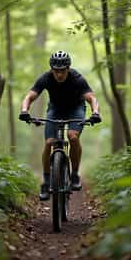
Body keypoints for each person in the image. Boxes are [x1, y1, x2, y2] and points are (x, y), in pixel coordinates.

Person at [19, 50, 101, 201]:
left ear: (68, 68)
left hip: (75, 109)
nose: (59, 74)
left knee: (73, 136)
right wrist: (24, 110)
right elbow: (30, 96)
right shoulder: (46, 78)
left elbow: (91, 98)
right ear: (52, 69)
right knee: (49, 142)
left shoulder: (77, 78)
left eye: (62, 71)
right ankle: (46, 182)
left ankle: (75, 174)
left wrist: (95, 112)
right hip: (55, 109)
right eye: (56, 71)